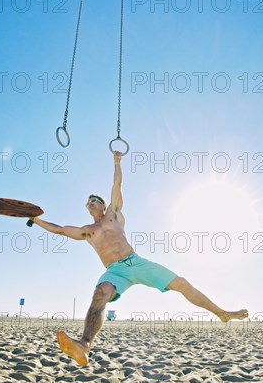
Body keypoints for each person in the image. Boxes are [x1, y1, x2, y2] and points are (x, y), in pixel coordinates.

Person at [31, 151, 248, 366]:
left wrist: (117, 162)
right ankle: (84, 345)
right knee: (100, 294)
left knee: (181, 283)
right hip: (115, 272)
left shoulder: (113, 215)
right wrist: (37, 221)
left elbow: (117, 185)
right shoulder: (87, 230)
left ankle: (221, 313)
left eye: (95, 200)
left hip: (136, 262)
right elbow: (59, 230)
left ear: (103, 205)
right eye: (88, 201)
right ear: (87, 208)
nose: (91, 202)